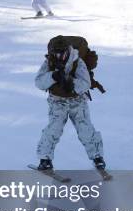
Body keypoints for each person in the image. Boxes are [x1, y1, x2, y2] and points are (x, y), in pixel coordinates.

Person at [34, 36, 106, 171]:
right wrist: (53, 76)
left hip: (77, 102)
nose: (60, 55)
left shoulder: (77, 61)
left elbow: (86, 83)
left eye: (62, 52)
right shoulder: (49, 62)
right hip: (57, 102)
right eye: (56, 52)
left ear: (68, 50)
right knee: (53, 130)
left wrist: (71, 83)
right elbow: (38, 82)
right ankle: (45, 159)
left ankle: (97, 157)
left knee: (85, 129)